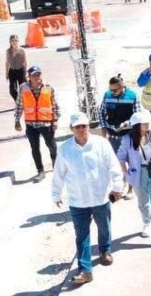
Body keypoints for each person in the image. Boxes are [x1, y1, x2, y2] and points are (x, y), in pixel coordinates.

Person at [51, 112, 127, 286]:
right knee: (82, 235)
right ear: (71, 129)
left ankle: (105, 251)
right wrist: (56, 194)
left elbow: (114, 166)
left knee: (104, 227)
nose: (82, 129)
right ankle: (85, 270)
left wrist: (117, 187)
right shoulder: (65, 150)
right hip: (78, 201)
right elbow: (58, 175)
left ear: (88, 127)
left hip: (101, 197)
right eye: (78, 127)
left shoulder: (101, 144)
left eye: (84, 126)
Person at [116, 111, 151, 244]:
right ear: (137, 125)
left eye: (148, 122)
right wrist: (126, 173)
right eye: (144, 123)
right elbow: (121, 157)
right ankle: (147, 223)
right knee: (143, 201)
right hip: (137, 174)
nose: (148, 124)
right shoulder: (127, 139)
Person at [14, 65, 60, 182]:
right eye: (34, 75)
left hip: (46, 124)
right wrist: (17, 120)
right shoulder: (23, 88)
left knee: (52, 146)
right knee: (34, 148)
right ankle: (40, 171)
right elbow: (19, 105)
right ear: (29, 77)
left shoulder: (49, 87)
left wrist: (55, 120)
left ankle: (56, 165)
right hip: (31, 124)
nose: (37, 77)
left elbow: (55, 106)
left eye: (39, 74)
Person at [100, 74, 141, 153]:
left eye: (115, 90)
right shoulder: (107, 95)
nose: (112, 92)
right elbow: (102, 112)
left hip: (128, 133)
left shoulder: (132, 95)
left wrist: (126, 124)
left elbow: (137, 116)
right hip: (112, 134)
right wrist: (103, 127)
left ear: (122, 87)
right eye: (110, 89)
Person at [4, 34, 27, 102]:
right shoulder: (8, 51)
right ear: (10, 42)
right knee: (12, 90)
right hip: (12, 71)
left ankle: (23, 102)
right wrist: (6, 73)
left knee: (23, 89)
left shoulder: (22, 50)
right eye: (13, 41)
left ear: (18, 41)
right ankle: (18, 101)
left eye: (16, 40)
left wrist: (25, 73)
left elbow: (25, 62)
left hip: (20, 71)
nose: (14, 42)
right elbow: (7, 62)